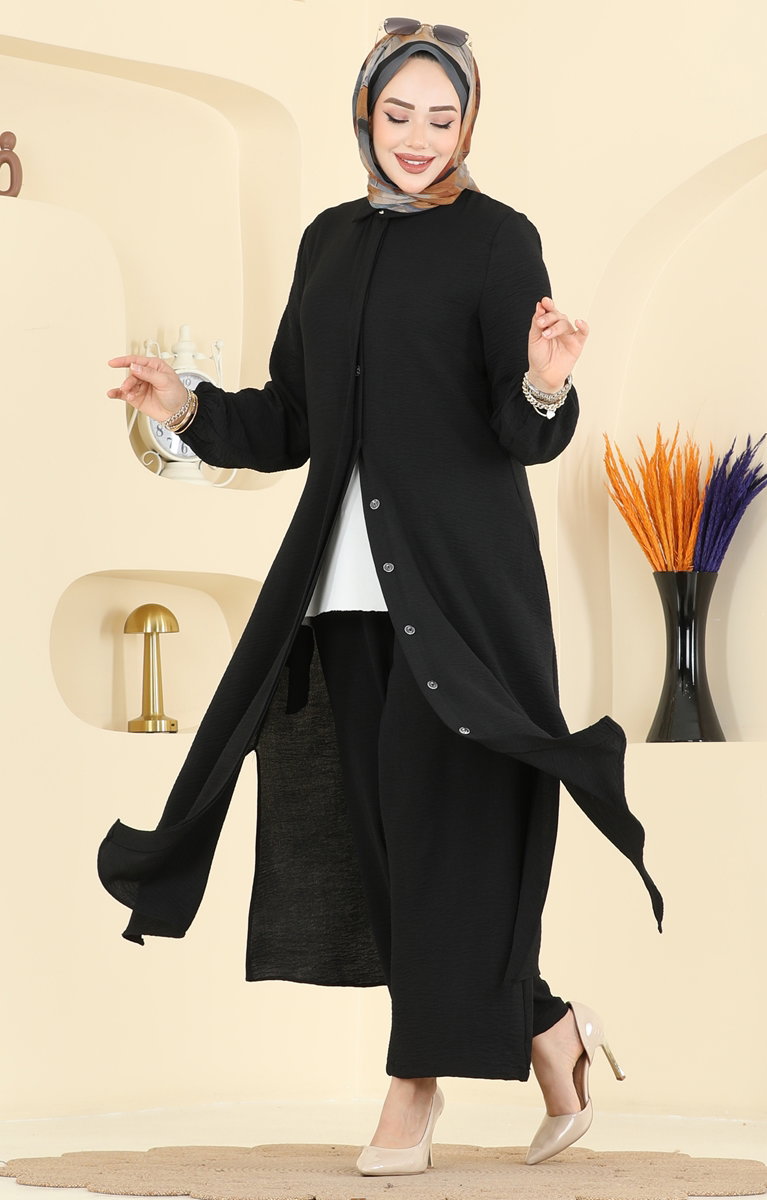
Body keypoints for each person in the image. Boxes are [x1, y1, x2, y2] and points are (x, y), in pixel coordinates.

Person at [100, 17, 663, 1179]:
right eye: (397, 113)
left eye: (440, 117)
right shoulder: (327, 241)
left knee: (444, 840)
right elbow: (292, 422)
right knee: (385, 849)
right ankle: (551, 1029)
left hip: (460, 600)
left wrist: (543, 384)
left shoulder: (498, 240)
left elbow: (520, 434)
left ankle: (413, 1091)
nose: (416, 137)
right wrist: (187, 405)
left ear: (468, 123)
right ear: (365, 113)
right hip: (343, 601)